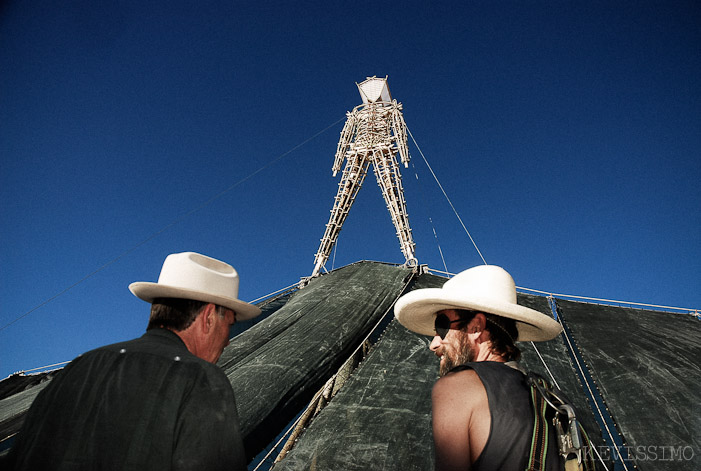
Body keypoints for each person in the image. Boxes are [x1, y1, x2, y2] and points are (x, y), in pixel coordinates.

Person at [7, 252, 261, 471]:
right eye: (228, 324)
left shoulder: (77, 368)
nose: (228, 341)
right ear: (208, 317)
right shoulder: (201, 379)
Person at [394, 264, 564, 471]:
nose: (434, 344)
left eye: (441, 327)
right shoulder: (555, 401)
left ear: (476, 327)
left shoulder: (458, 386)